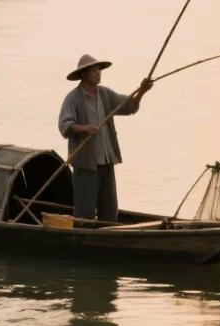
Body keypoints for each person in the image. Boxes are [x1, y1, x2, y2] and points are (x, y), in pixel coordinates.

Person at [58, 54, 152, 223]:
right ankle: (82, 239)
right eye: (95, 71)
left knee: (109, 210)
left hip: (106, 162)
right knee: (84, 213)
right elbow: (65, 126)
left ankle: (106, 235)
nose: (99, 73)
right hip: (86, 165)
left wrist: (142, 91)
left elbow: (129, 106)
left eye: (99, 70)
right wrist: (85, 128)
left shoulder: (105, 94)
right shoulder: (72, 98)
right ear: (84, 75)